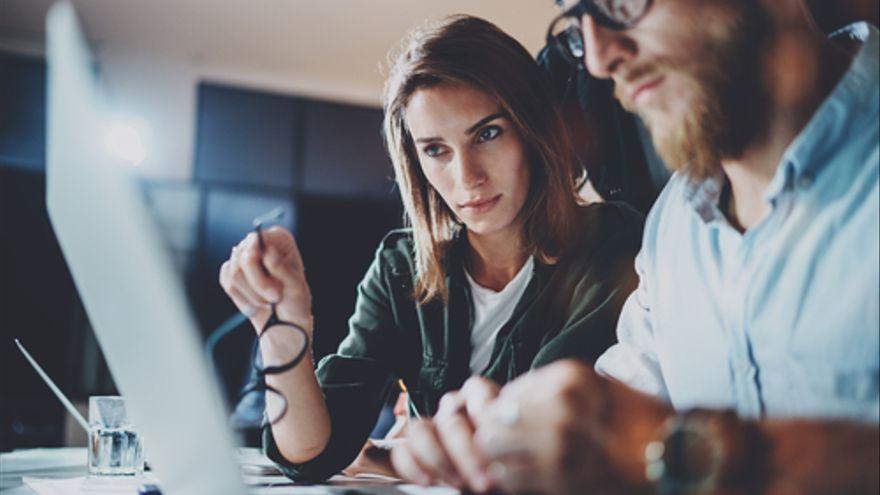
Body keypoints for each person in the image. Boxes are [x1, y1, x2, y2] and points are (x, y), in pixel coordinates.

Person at [391, 1, 880, 493]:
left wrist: (688, 453)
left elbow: (645, 444)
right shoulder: (673, 228)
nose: (600, 60)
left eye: (619, 2)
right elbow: (612, 415)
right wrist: (507, 440)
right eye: (580, 17)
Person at [218, 15, 644, 482]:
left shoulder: (609, 245)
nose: (467, 178)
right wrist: (282, 326)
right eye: (436, 150)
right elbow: (311, 454)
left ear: (533, 130)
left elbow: (528, 432)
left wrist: (393, 456)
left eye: (488, 133)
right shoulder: (402, 266)